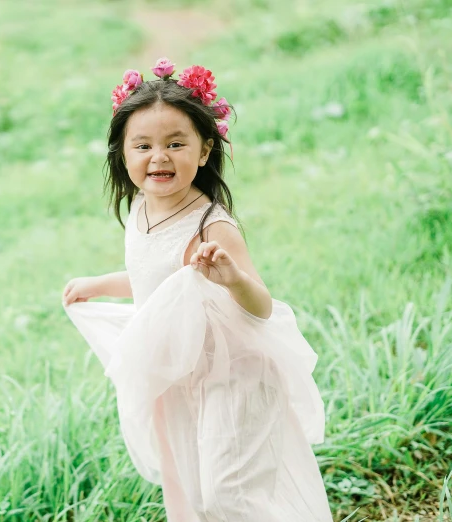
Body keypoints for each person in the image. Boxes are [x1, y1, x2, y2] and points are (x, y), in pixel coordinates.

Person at [62, 58, 333, 522]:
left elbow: (263, 306)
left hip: (234, 375)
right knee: (192, 493)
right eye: (142, 145)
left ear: (204, 150)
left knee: (230, 495)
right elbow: (157, 278)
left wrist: (232, 278)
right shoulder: (143, 209)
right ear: (123, 155)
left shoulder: (213, 225)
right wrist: (100, 285)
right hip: (181, 375)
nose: (159, 157)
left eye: (175, 143)